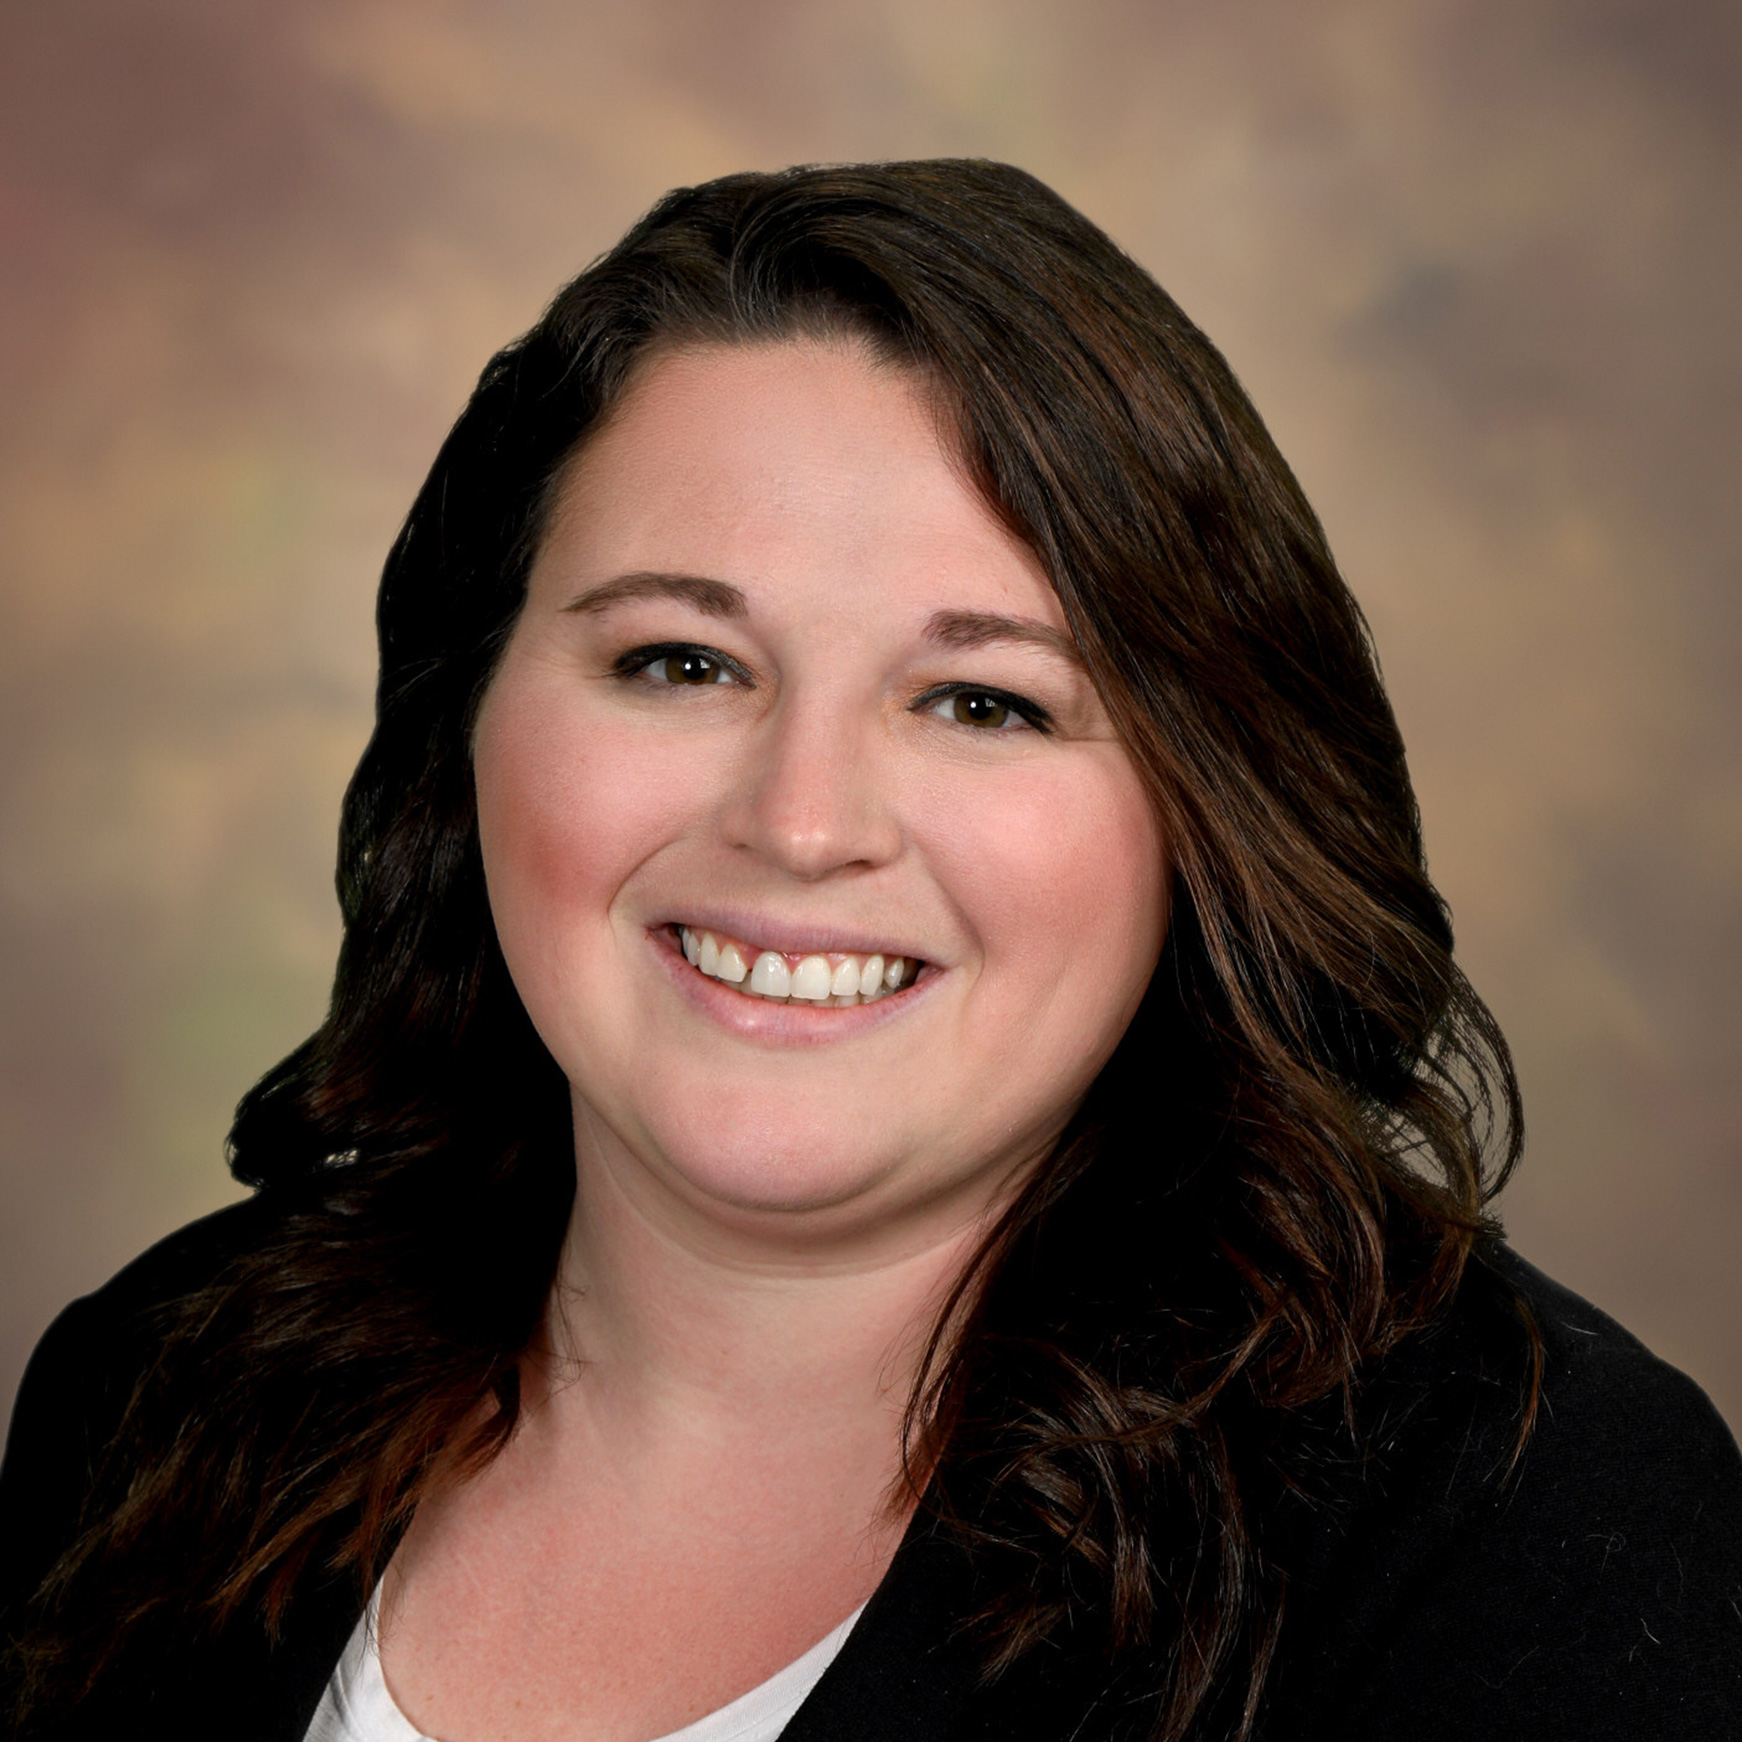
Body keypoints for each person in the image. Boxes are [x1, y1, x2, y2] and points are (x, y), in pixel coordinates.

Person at [2, 159, 1738, 1742]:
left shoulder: (1515, 1524)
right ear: (468, 722)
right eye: (679, 662)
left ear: (1203, 811)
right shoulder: (158, 1390)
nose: (802, 817)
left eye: (982, 700)